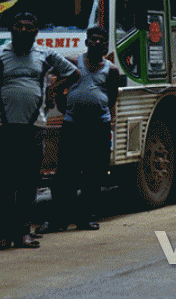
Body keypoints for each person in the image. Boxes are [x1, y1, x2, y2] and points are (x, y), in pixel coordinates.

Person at [0, 13, 78, 250]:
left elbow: (73, 73)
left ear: (36, 32)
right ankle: (4, 234)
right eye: (19, 26)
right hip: (5, 128)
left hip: (34, 128)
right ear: (11, 30)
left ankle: (23, 233)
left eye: (29, 27)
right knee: (4, 183)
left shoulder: (44, 54)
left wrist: (52, 90)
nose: (24, 30)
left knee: (27, 183)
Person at [39, 26, 120, 233]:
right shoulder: (75, 63)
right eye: (93, 39)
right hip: (73, 125)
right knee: (66, 173)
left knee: (94, 173)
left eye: (101, 40)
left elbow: (111, 97)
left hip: (98, 127)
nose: (97, 42)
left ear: (105, 45)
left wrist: (98, 109)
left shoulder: (111, 70)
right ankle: (58, 219)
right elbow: (57, 82)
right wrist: (63, 105)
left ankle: (87, 218)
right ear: (86, 43)